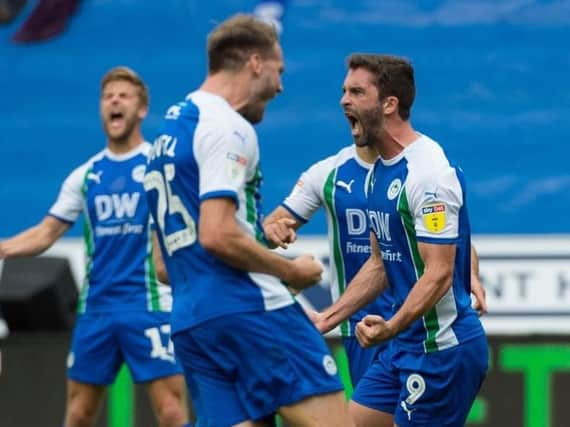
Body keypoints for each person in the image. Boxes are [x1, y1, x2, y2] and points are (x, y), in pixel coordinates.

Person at [144, 14, 351, 427]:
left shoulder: (166, 136)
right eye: (279, 71)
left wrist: (254, 237)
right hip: (252, 311)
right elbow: (217, 236)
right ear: (256, 63)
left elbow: (164, 267)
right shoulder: (227, 127)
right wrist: (291, 271)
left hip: (191, 322)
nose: (280, 86)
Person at [0, 67, 191, 427]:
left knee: (171, 412)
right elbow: (46, 232)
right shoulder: (86, 175)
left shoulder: (158, 167)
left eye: (124, 96)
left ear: (142, 109)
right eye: (107, 97)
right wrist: (5, 247)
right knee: (78, 414)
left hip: (148, 305)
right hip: (97, 309)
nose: (114, 101)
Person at [311, 54, 488, 427]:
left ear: (389, 103)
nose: (343, 100)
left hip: (442, 350)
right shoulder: (378, 171)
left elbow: (439, 275)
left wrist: (391, 326)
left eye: (356, 92)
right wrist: (326, 318)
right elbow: (380, 264)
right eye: (344, 91)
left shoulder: (428, 174)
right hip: (404, 346)